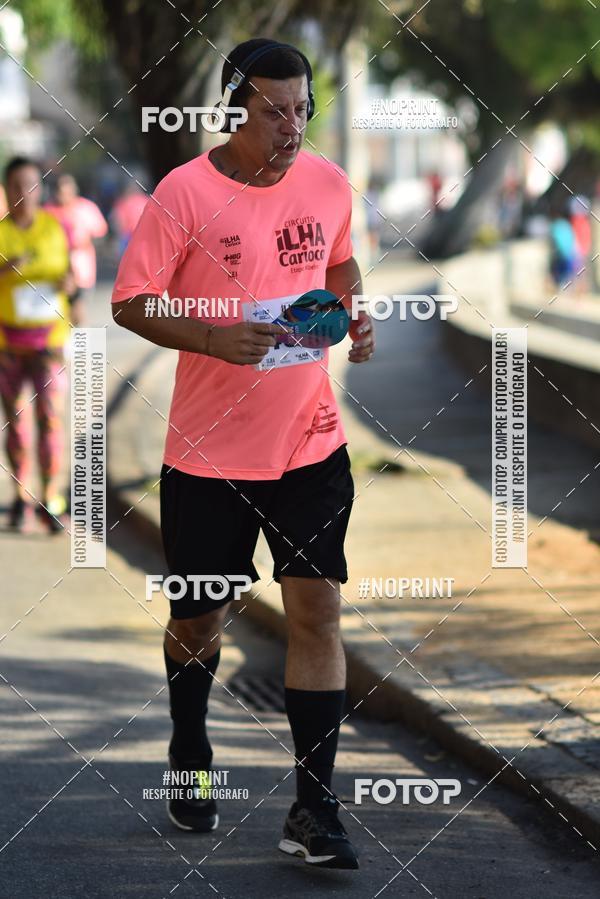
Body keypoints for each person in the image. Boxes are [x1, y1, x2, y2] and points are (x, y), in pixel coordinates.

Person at [111, 38, 374, 869]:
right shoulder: (185, 194)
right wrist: (214, 338)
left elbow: (338, 263)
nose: (292, 126)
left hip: (310, 443)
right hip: (208, 455)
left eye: (303, 109)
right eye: (274, 110)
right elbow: (131, 303)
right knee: (200, 619)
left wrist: (352, 313)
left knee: (317, 610)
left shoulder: (329, 182)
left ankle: (314, 808)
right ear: (234, 107)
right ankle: (190, 742)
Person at [0, 157, 74, 532]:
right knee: (16, 424)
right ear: (7, 190)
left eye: (31, 185)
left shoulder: (54, 229)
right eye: (16, 185)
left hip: (49, 342)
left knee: (50, 421)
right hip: (8, 345)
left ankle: (51, 498)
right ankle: (20, 498)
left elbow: (70, 278)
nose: (24, 193)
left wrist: (70, 288)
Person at [45, 173, 108, 323]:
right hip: (56, 274)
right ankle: (66, 343)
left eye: (67, 190)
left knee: (79, 312)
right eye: (60, 191)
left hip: (83, 272)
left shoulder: (86, 208)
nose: (63, 195)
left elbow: (101, 234)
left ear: (74, 190)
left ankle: (84, 345)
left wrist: (84, 242)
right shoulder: (47, 212)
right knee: (59, 315)